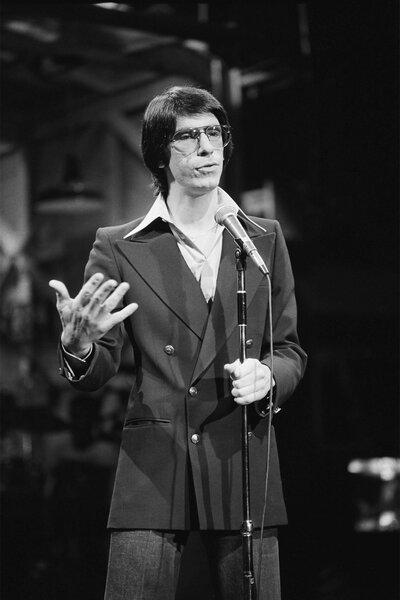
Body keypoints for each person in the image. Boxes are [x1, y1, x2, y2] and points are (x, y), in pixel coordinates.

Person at [49, 85, 307, 600]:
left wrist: (268, 376)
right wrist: (78, 346)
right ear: (159, 154)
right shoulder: (118, 246)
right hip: (154, 464)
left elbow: (290, 351)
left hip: (241, 459)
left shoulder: (262, 238)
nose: (208, 148)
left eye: (214, 133)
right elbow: (99, 366)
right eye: (189, 138)